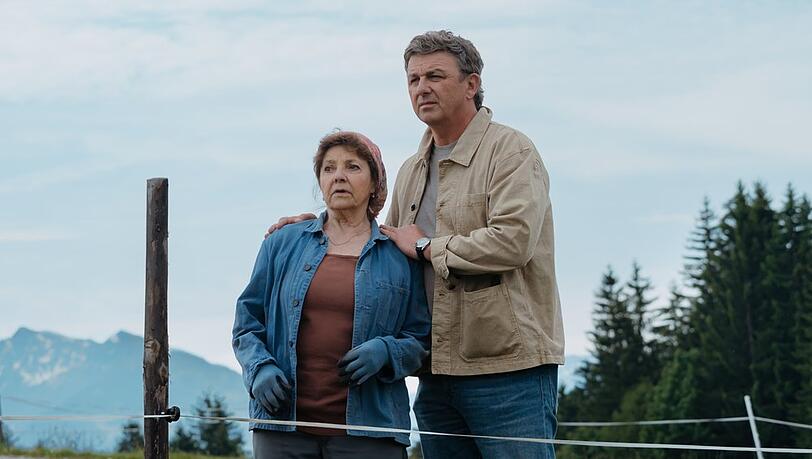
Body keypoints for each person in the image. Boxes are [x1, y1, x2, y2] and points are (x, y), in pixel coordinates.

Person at [266, 30, 563, 459]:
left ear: (471, 84)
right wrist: (316, 226)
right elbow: (382, 248)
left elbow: (513, 242)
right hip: (434, 371)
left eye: (435, 76)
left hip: (507, 371)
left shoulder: (511, 151)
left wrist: (427, 247)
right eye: (413, 79)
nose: (422, 88)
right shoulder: (412, 170)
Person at [233, 131, 430, 459]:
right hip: (283, 428)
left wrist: (386, 351)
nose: (338, 175)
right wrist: (259, 369)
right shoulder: (282, 243)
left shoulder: (399, 255)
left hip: (371, 433)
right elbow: (247, 321)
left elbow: (421, 338)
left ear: (375, 184)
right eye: (328, 168)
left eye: (352, 167)